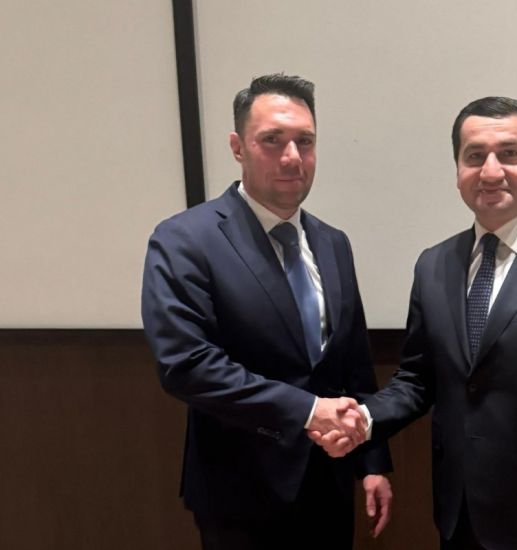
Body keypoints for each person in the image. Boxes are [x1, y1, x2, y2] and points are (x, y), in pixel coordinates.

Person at [313, 96, 517, 550]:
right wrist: (364, 419)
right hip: (458, 510)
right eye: (474, 156)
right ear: (458, 169)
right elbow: (417, 380)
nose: (490, 171)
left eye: (509, 153)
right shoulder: (433, 264)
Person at [141, 73, 392, 550]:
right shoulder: (185, 239)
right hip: (240, 493)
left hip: (330, 485)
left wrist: (372, 462)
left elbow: (353, 363)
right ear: (238, 147)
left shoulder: (333, 243)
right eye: (272, 140)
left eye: (305, 141)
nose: (292, 156)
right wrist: (308, 411)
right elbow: (186, 365)